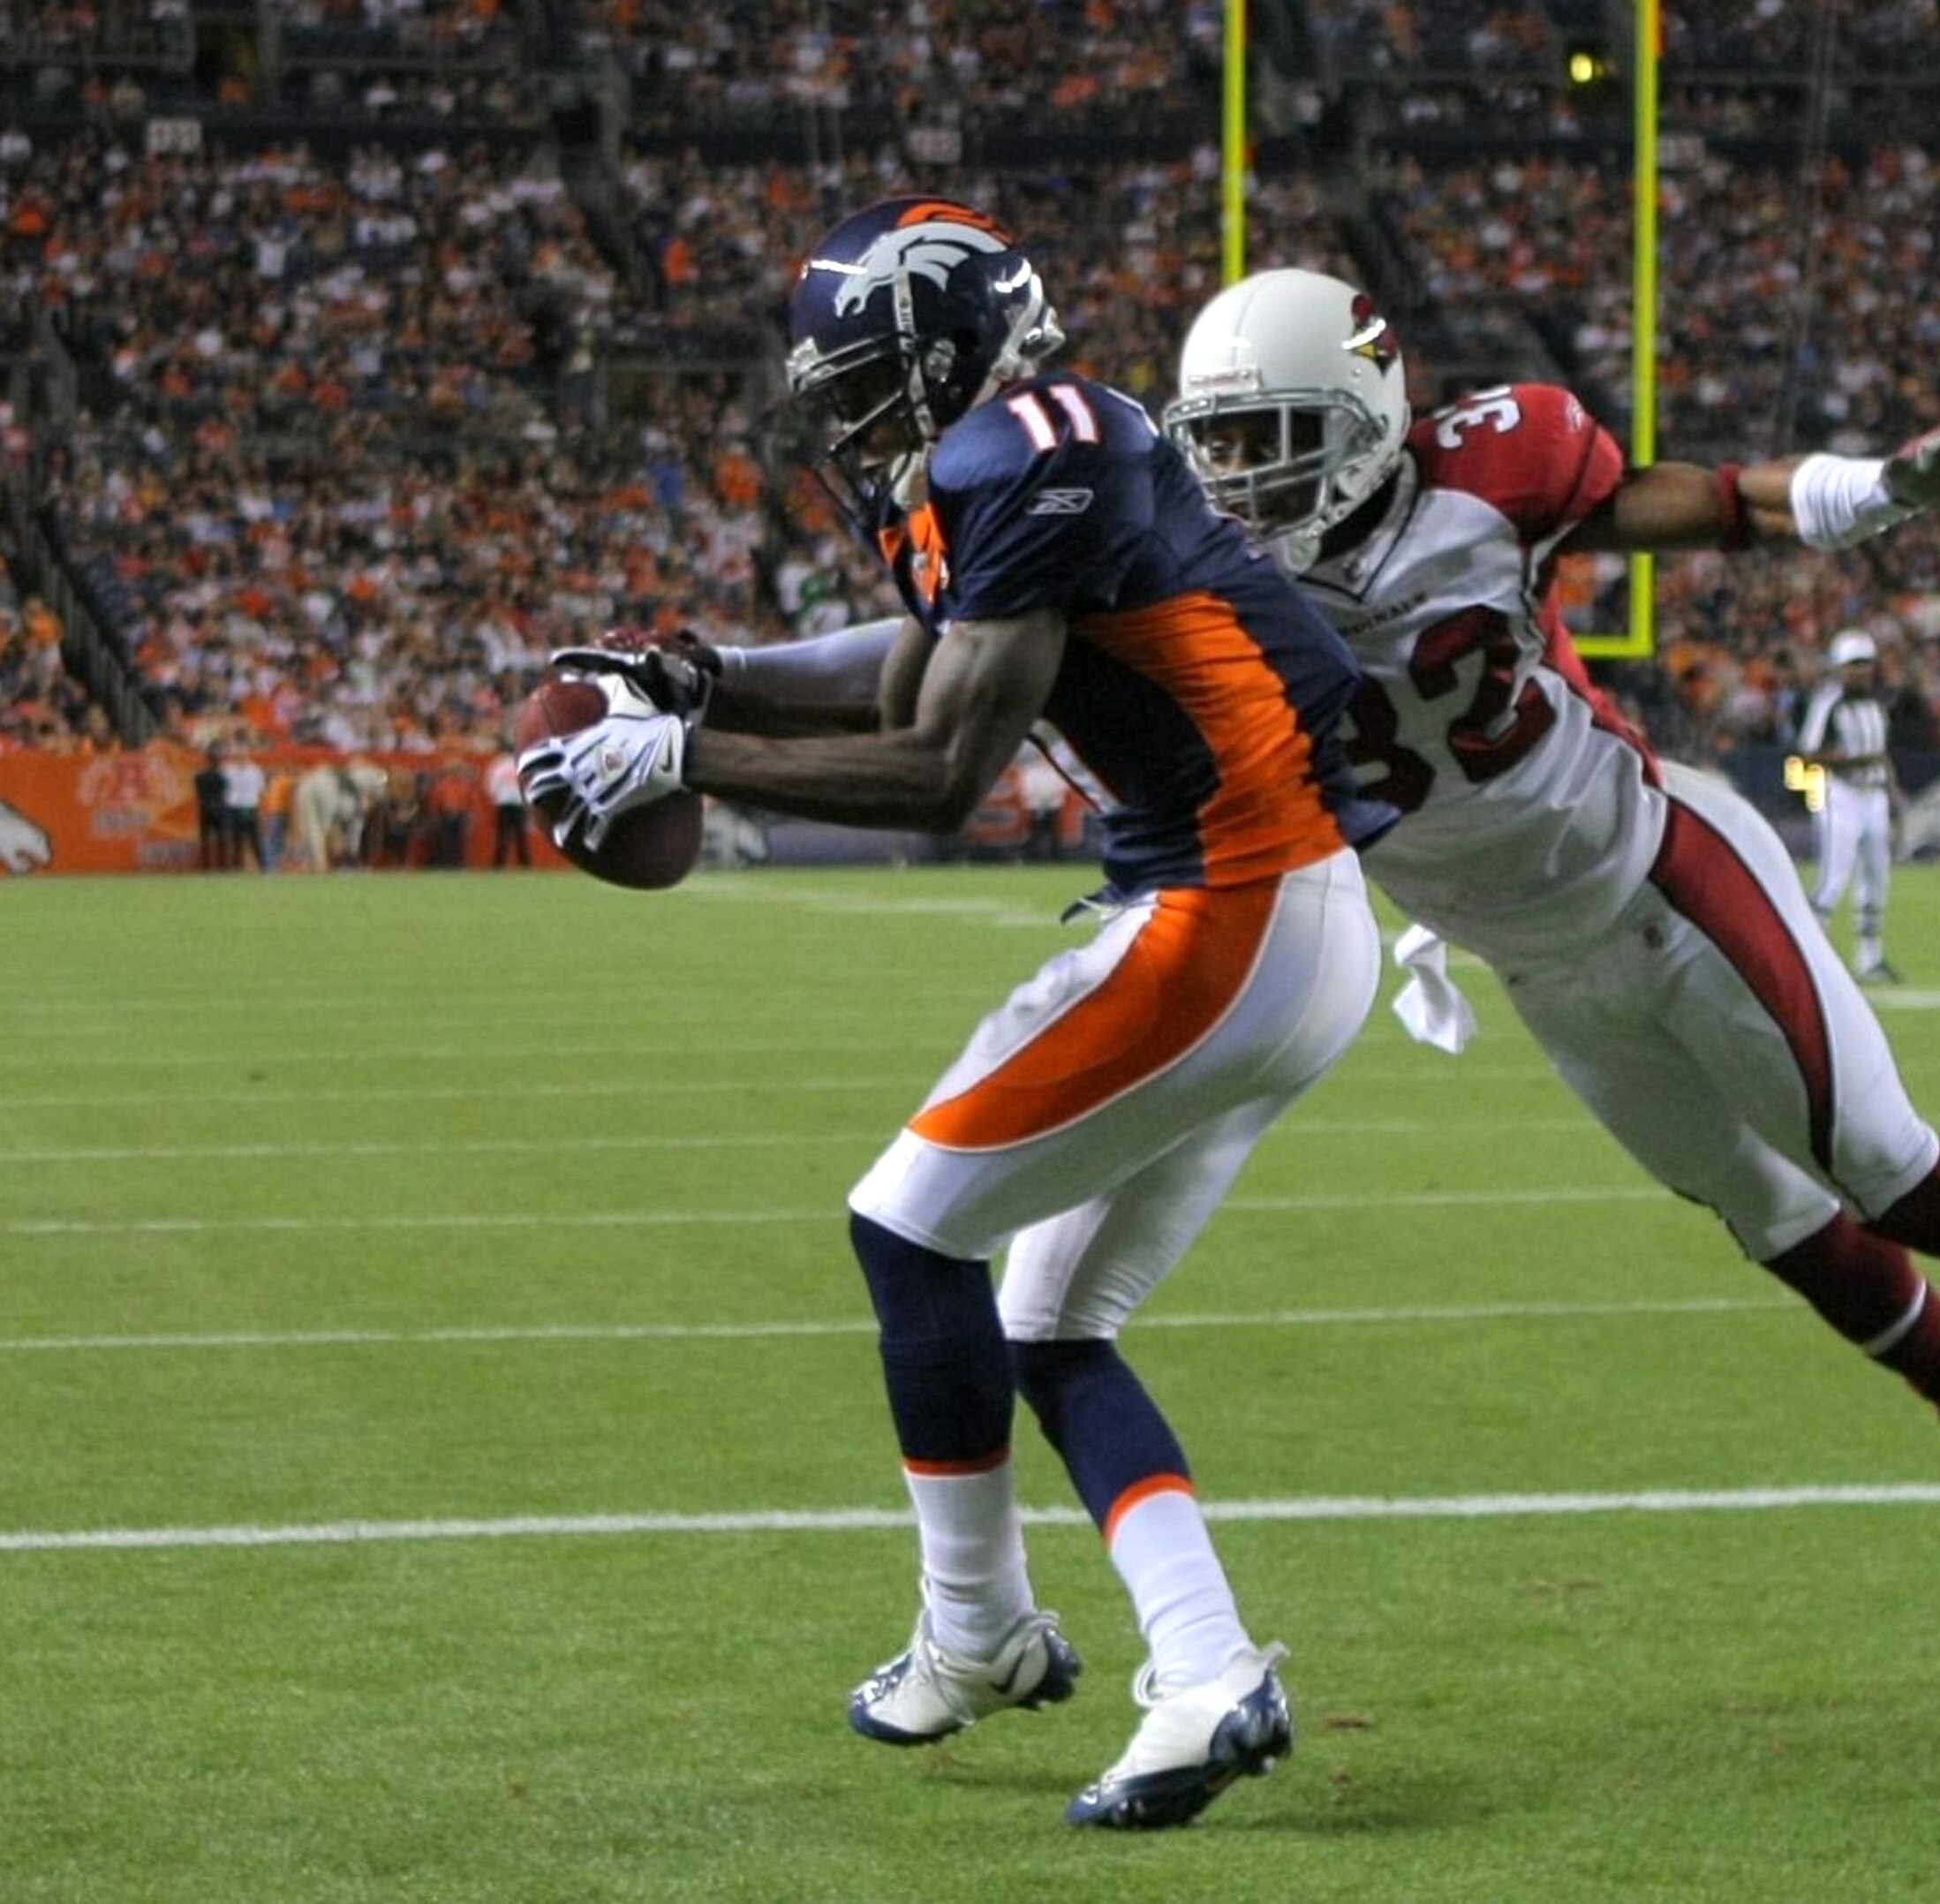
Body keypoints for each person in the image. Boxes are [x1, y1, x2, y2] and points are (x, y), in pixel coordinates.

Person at [1163, 267, 1940, 1643]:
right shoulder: (1196, 571)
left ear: (1357, 417)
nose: (1230, 479)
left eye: (1263, 439)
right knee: (1782, 1229)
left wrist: (1871, 487)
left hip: (1659, 871)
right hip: (1532, 959)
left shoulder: (1488, 472)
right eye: (1212, 443)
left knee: (1884, 1169)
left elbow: (1700, 502)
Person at [518, 200, 1396, 1832]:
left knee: (908, 1226)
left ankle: (981, 1635)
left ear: (936, 350)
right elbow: (915, 656)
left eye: (862, 383)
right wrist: (701, 674)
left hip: (1235, 900)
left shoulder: (1038, 444)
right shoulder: (1015, 456)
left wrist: (685, 755)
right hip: (1274, 908)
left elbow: (935, 765)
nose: (848, 424)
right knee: (1051, 1328)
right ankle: (1202, 1670)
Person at [1795, 628, 1901, 981]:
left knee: (1877, 877)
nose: (1861, 671)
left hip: (1873, 795)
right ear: (1839, 668)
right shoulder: (1829, 702)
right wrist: (1855, 760)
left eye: (1866, 664)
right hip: (1840, 795)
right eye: (1854, 664)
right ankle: (1811, 958)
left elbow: (1881, 755)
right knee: (1833, 877)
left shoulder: (1876, 702)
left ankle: (1869, 958)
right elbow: (1808, 754)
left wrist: (1894, 796)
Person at [485, 737, 531, 867]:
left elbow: (491, 784)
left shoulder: (498, 765)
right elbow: (528, 783)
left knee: (503, 835)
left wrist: (497, 797)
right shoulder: (521, 764)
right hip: (518, 803)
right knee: (520, 835)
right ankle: (525, 864)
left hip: (504, 803)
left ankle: (499, 864)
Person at [193, 747, 230, 871]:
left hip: (205, 808)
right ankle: (222, 865)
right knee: (221, 838)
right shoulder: (222, 777)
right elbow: (226, 790)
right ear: (218, 762)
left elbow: (198, 793)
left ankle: (206, 865)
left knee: (205, 838)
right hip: (219, 809)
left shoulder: (199, 776)